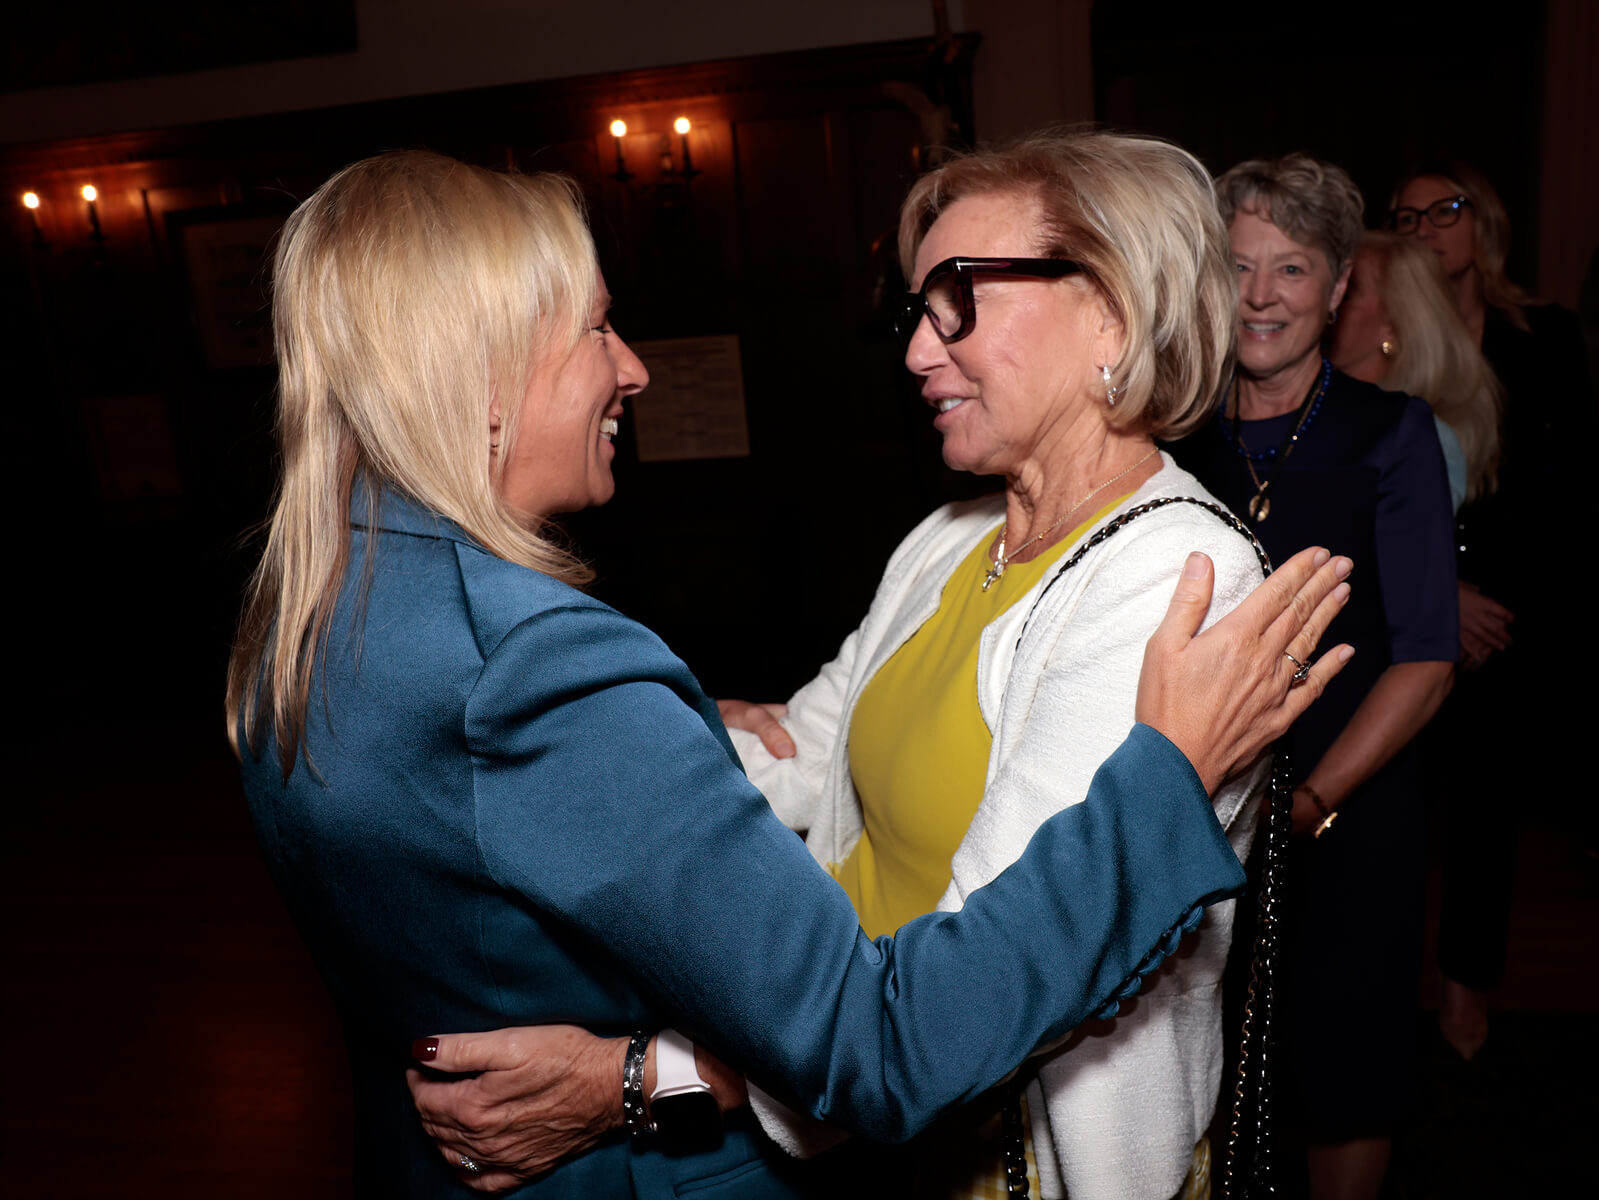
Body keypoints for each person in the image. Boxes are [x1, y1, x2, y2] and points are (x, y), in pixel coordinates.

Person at [226, 148, 1353, 1199]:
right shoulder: (952, 538)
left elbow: (943, 1017)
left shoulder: (1177, 576)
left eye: (957, 298)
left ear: (1109, 308)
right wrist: (645, 745)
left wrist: (642, 1068)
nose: (916, 351)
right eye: (915, 310)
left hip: (980, 1139)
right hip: (856, 1103)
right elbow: (810, 751)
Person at [1168, 153, 1458, 1200]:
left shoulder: (1390, 433)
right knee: (1195, 1064)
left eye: (1290, 269)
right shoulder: (1170, 435)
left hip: (1349, 810)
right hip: (1196, 810)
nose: (1260, 296)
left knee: (1346, 1067)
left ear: (1337, 289)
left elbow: (1427, 657)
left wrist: (1314, 801)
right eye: (1238, 267)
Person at [1388, 161, 1595, 1059]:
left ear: (1487, 224)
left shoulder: (1544, 333)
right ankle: (1383, 987)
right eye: (1406, 216)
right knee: (1398, 807)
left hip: (1510, 605)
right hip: (1411, 597)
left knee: (1485, 807)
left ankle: (1466, 984)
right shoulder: (1381, 329)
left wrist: (1501, 601)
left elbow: (1573, 483)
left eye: (1445, 210)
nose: (1425, 227)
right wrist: (1443, 593)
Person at [1329, 229, 1503, 514]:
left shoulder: (1420, 440)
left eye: (1347, 293)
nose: (1328, 302)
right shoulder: (1310, 415)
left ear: (1393, 323)